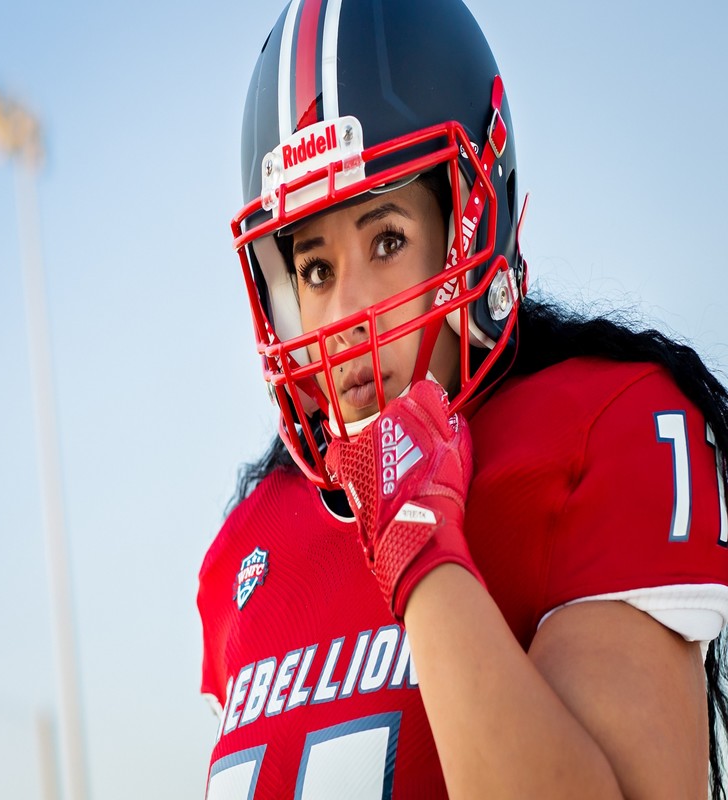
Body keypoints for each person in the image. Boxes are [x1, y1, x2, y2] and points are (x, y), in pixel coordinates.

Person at [197, 0, 728, 796]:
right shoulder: (249, 543)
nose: (343, 316)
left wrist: (423, 555)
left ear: (473, 225)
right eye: (315, 268)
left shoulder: (604, 426)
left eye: (386, 240)